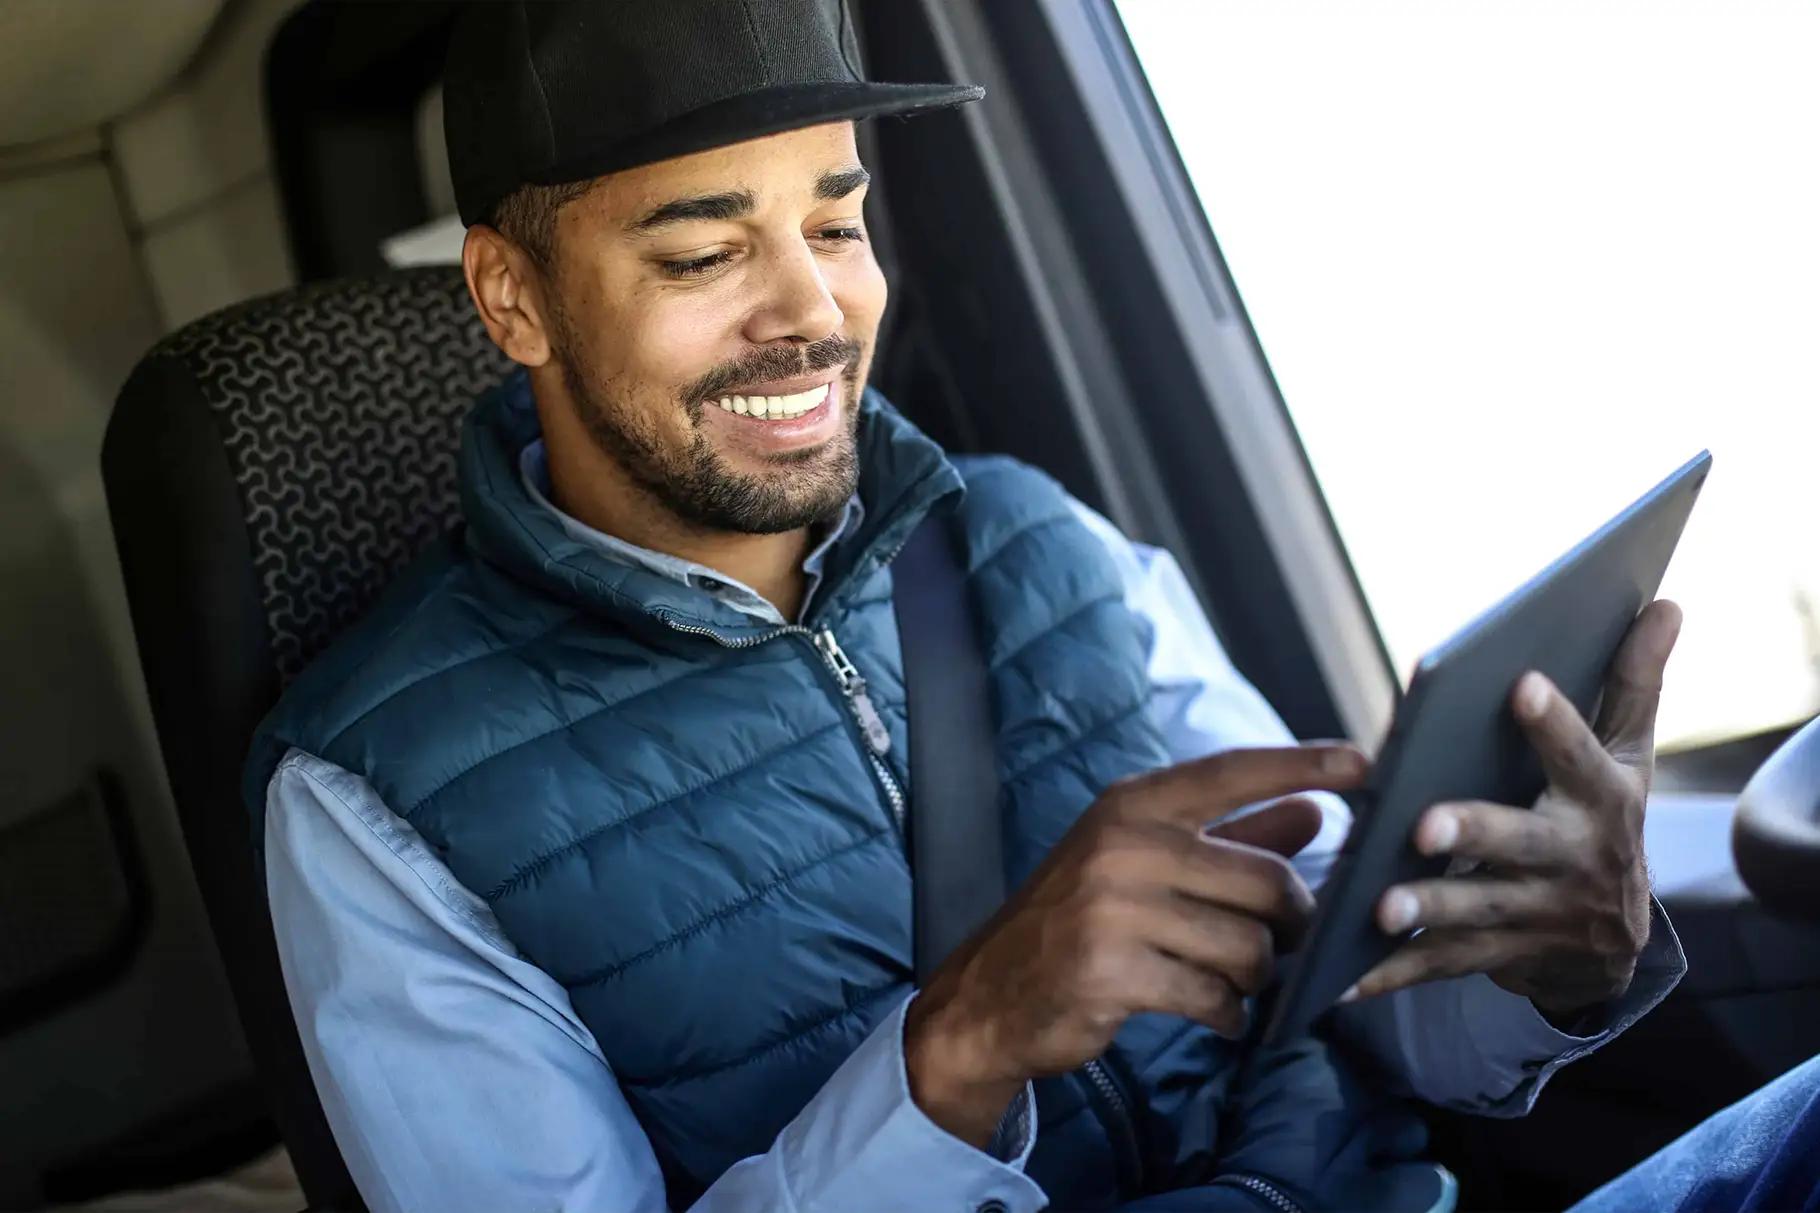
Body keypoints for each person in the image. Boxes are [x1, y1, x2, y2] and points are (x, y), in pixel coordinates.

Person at [247, 3, 1815, 1210]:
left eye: (837, 223)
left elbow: (1332, 1000)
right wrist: (962, 1049)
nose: (811, 310)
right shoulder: (374, 804)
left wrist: (1548, 957)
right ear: (511, 295)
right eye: (706, 249)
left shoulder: (1031, 536)